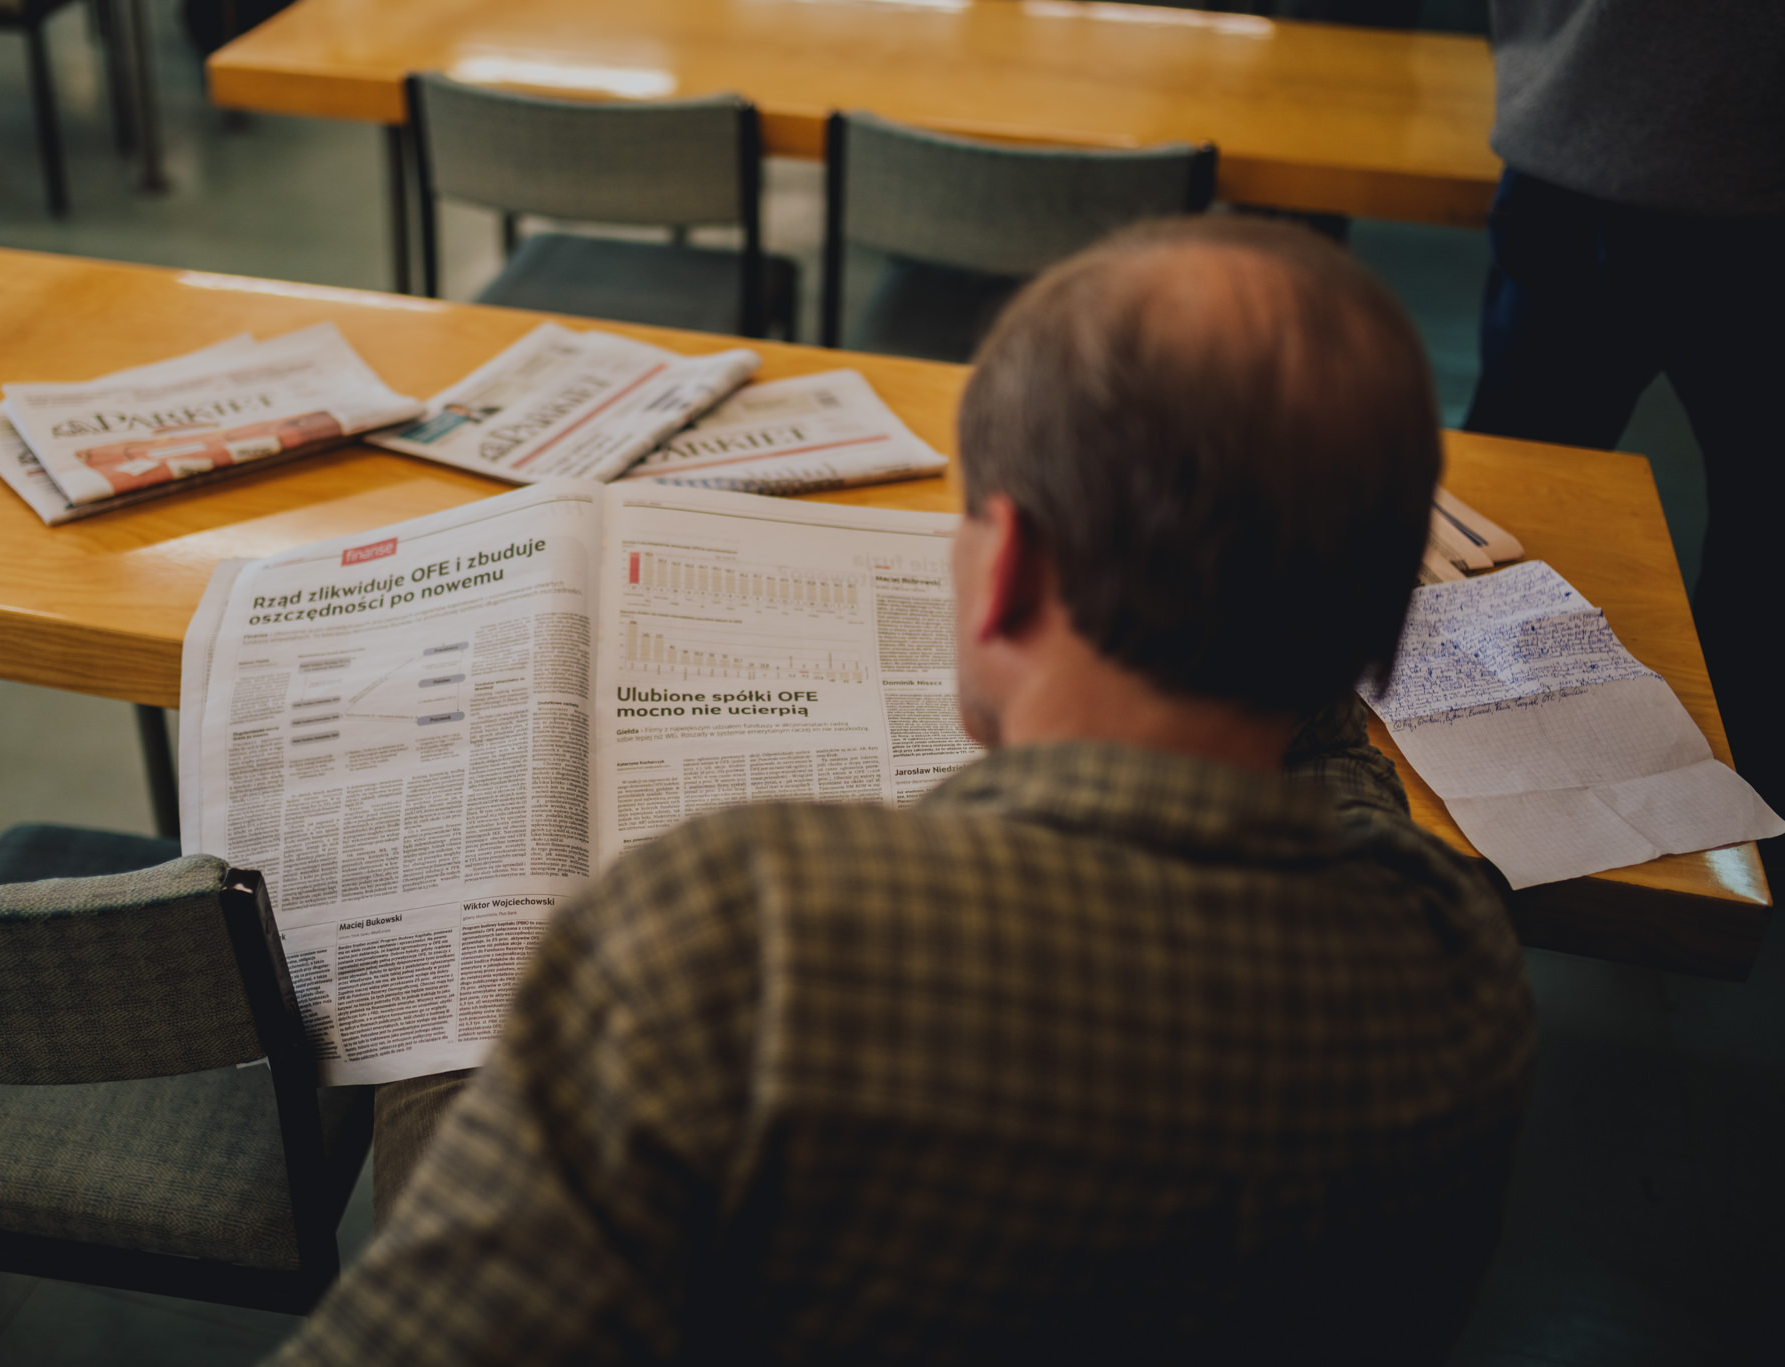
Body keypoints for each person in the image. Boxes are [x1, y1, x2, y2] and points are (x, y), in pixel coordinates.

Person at [271, 218, 1536, 1366]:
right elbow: (1351, 789)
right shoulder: (1457, 958)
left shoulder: (740, 937)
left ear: (1009, 573)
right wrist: (1305, 565)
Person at [1464, 0, 1785, 816]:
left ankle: (1726, 820)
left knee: (1505, 520)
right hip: (1629, 151)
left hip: (1581, 130)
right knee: (1501, 529)